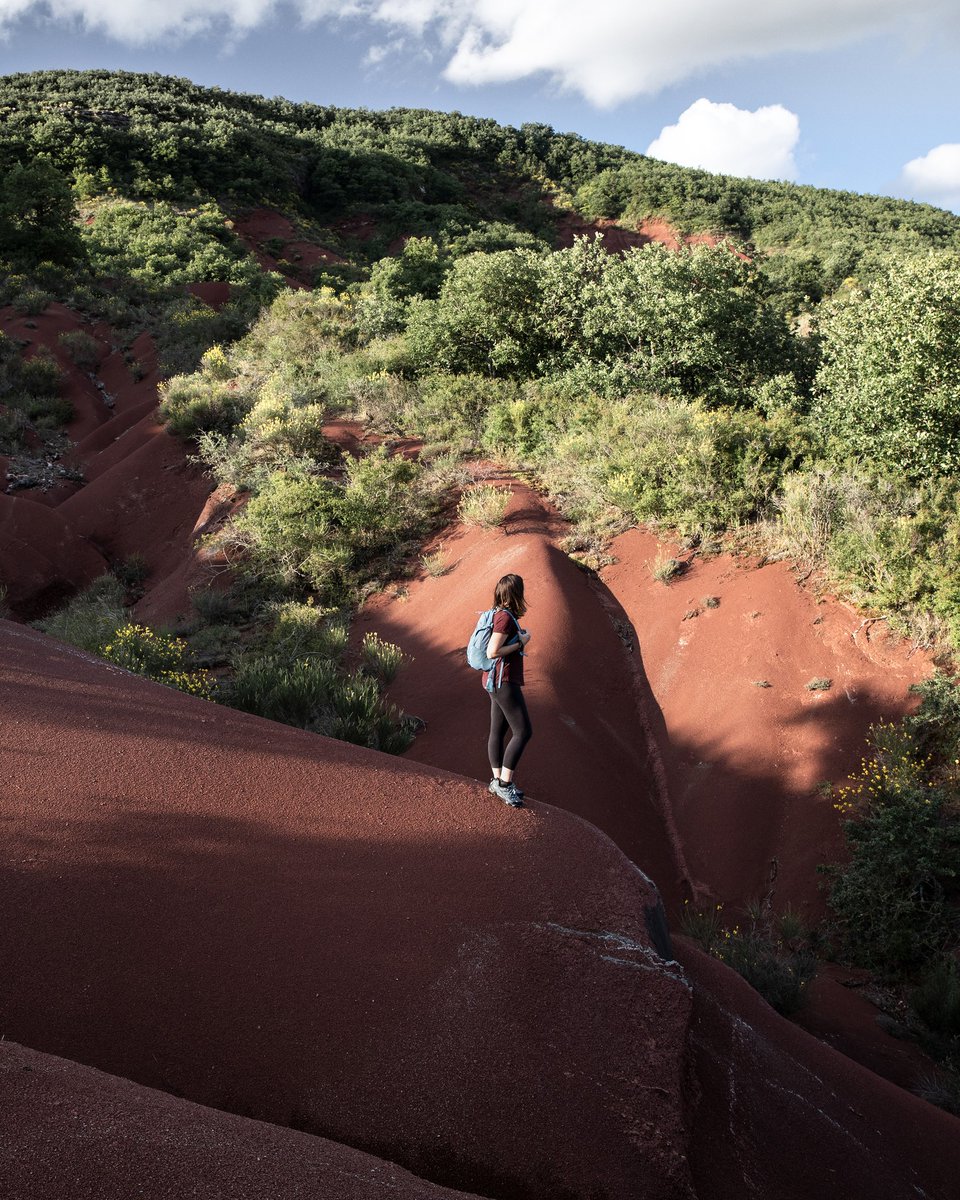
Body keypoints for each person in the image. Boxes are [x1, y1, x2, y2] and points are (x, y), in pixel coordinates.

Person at [484, 573, 533, 808]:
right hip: (503, 682)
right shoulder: (504, 618)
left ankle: (496, 781)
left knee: (497, 731)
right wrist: (521, 642)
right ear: (516, 593)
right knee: (523, 732)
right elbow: (492, 652)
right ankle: (504, 784)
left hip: (494, 681)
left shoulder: (500, 615)